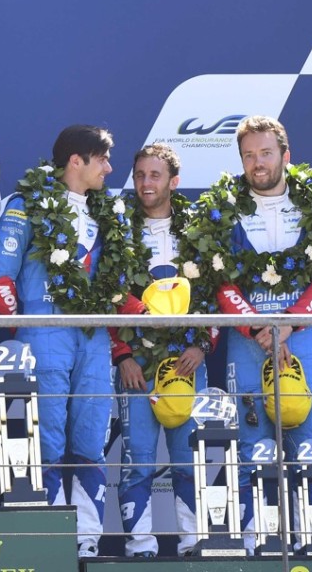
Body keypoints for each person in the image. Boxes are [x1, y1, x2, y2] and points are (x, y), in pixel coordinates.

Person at [0, 124, 132, 558]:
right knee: (47, 441)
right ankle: (50, 538)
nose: (109, 167)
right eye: (101, 159)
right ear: (76, 161)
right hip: (43, 334)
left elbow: (113, 285)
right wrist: (26, 333)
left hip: (92, 338)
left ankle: (86, 538)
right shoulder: (26, 204)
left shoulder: (109, 212)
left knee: (90, 440)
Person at [186, 115, 312, 545]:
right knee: (253, 451)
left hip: (304, 338)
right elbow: (220, 282)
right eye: (249, 155)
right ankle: (257, 544)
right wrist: (259, 328)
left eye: (266, 153)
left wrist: (288, 324)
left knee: (311, 450)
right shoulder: (223, 210)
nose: (258, 163)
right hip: (247, 343)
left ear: (286, 155)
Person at [110, 143, 210, 557]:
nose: (145, 184)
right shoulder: (117, 227)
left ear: (174, 181)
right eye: (139, 176)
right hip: (137, 362)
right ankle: (141, 544)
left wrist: (203, 345)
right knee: (138, 461)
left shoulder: (197, 229)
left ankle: (192, 539)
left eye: (154, 176)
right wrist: (123, 354)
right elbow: (108, 292)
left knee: (189, 458)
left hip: (188, 361)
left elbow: (210, 292)